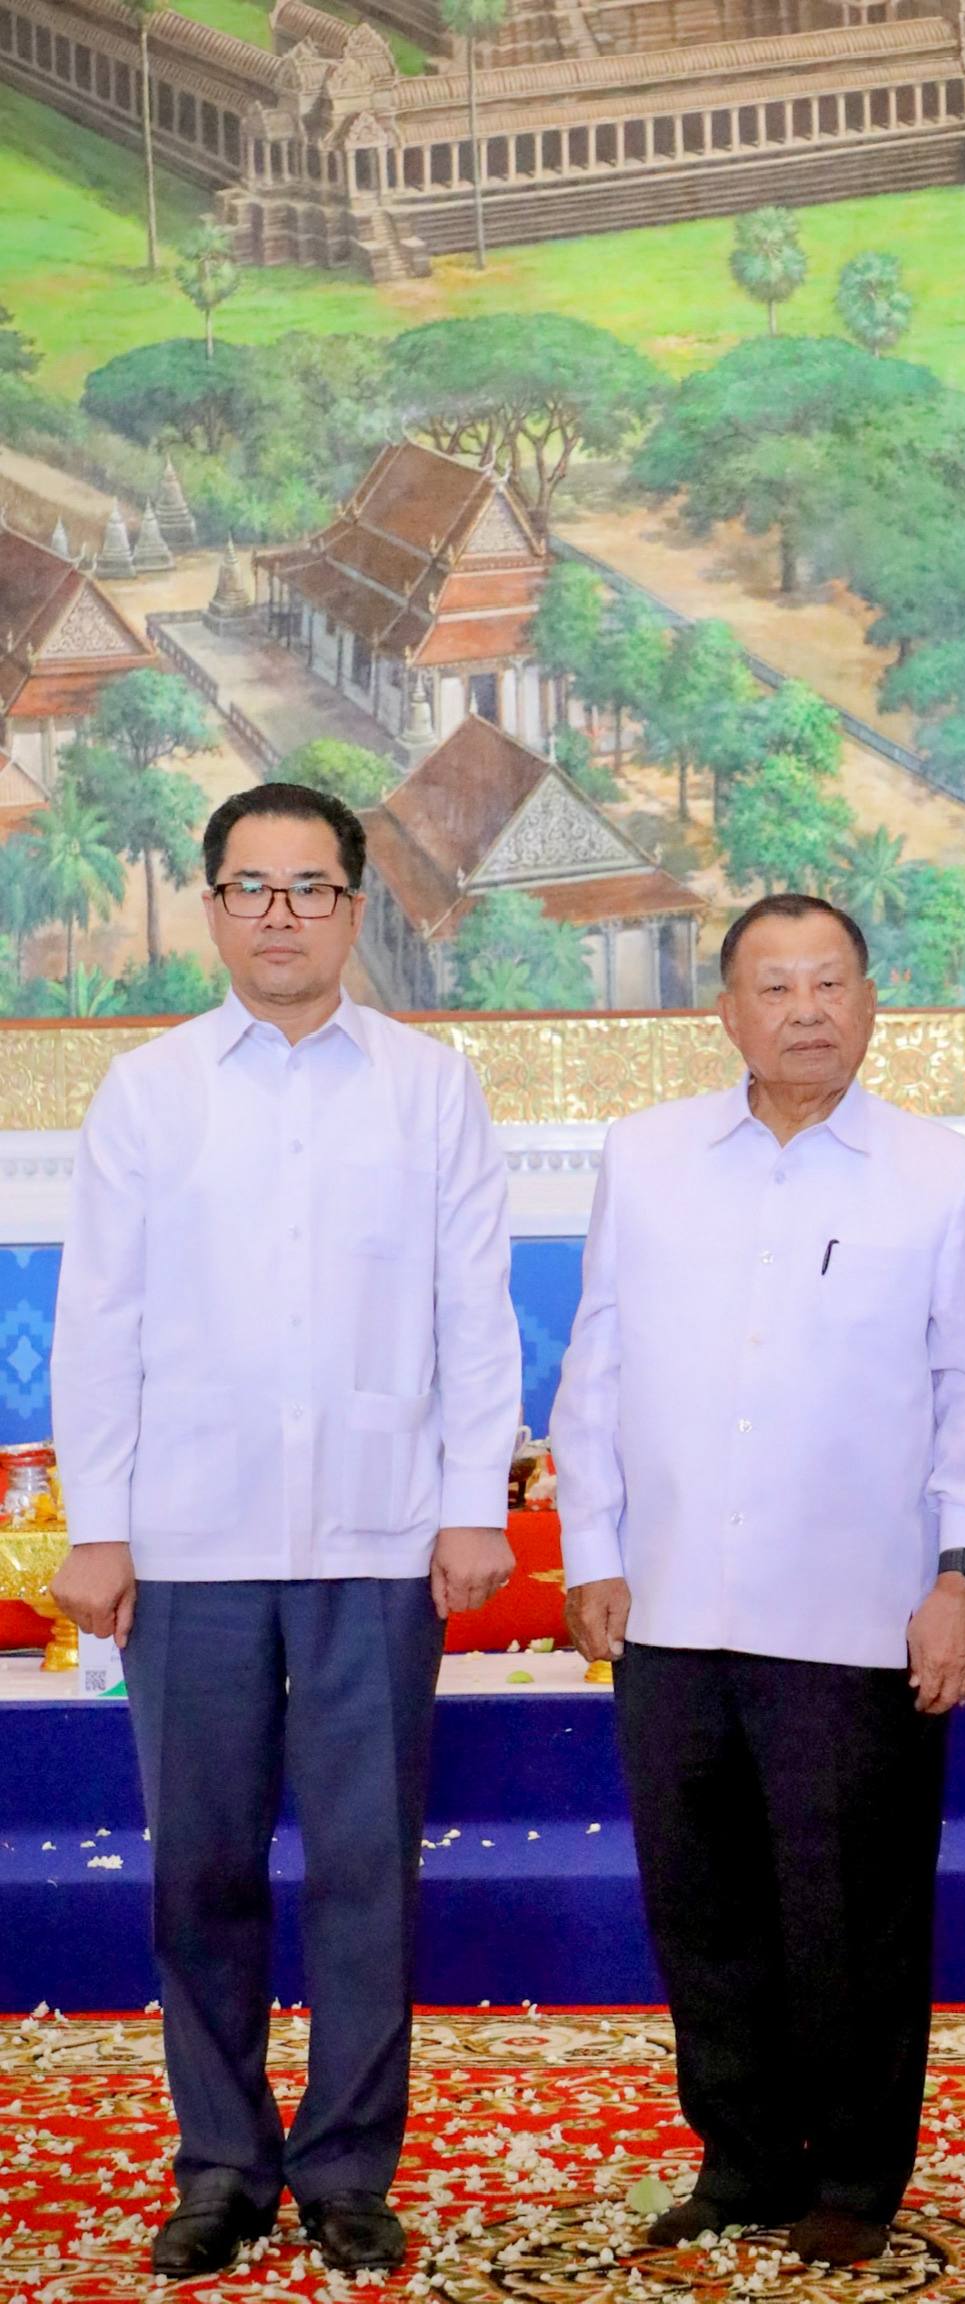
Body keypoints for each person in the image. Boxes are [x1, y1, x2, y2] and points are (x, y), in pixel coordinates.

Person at [49, 783, 523, 2281]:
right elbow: (98, 1321)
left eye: (310, 887)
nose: (280, 915)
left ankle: (347, 2167)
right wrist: (100, 1527)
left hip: (378, 1537)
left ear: (353, 906)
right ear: (213, 908)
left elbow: (473, 1309)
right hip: (188, 1544)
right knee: (201, 1869)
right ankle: (221, 2163)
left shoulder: (429, 1088)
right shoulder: (150, 1092)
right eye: (250, 887)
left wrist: (470, 1503)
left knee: (369, 1869)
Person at [551, 892, 965, 2268]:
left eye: (830, 984)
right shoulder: (647, 1157)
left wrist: (962, 1575)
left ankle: (857, 2180)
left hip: (858, 1612)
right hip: (672, 1606)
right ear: (727, 1011)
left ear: (871, 1004)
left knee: (854, 1916)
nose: (805, 1011)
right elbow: (597, 1366)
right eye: (775, 986)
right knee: (702, 1908)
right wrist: (593, 1550)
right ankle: (744, 2159)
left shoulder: (941, 1176)